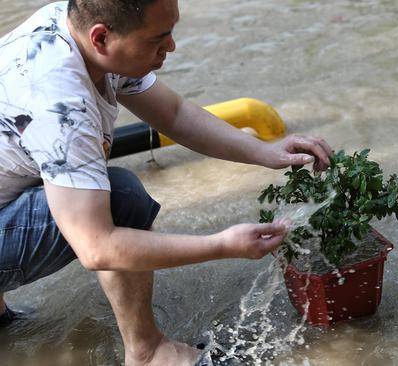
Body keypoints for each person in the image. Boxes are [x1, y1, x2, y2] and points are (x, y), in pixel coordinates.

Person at [0, 0, 332, 365]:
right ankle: (149, 353)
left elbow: (172, 114)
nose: (171, 47)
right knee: (121, 198)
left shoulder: (78, 25)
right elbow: (97, 247)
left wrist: (266, 152)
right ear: (101, 38)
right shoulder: (60, 104)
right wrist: (221, 244)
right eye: (159, 38)